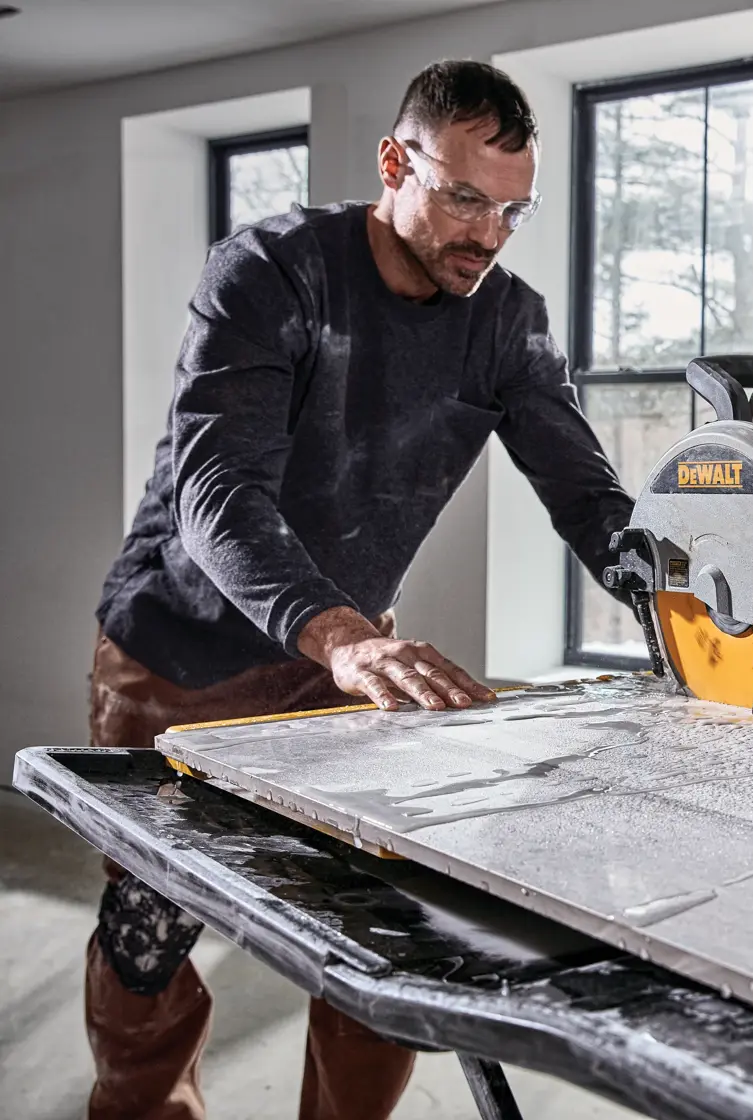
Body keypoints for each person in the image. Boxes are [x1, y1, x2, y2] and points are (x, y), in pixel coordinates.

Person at [86, 60, 635, 1120]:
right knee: (151, 931)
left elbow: (586, 493)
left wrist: (676, 595)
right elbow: (219, 490)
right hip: (177, 654)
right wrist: (338, 633)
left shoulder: (505, 321)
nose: (488, 233)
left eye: (512, 209)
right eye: (464, 197)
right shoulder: (275, 273)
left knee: (378, 926)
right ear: (395, 162)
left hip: (340, 663)